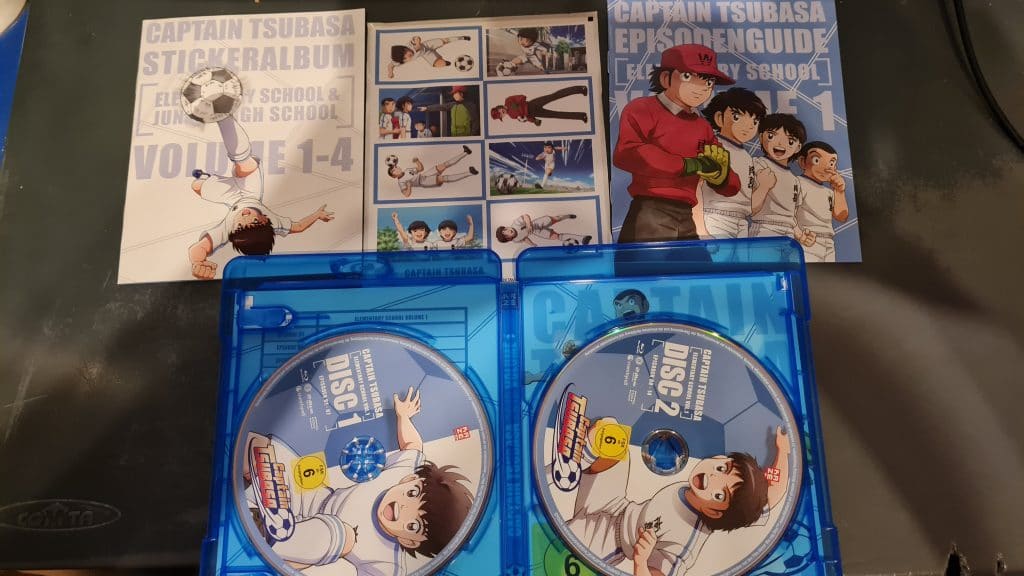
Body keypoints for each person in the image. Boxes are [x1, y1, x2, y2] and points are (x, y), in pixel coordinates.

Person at [245, 388, 475, 575]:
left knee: (343, 536)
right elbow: (413, 447)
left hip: (305, 545)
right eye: (412, 493)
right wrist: (403, 416)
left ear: (410, 542)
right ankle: (254, 502)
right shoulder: (402, 471)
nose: (404, 509)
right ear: (410, 479)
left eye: (414, 525)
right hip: (311, 497)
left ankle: (270, 536)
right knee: (261, 446)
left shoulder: (388, 565)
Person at [569, 421, 790, 576]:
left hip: (611, 541)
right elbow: (773, 494)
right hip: (618, 505)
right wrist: (784, 451)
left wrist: (641, 561)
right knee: (611, 431)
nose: (713, 477)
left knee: (571, 535)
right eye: (722, 468)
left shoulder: (685, 543)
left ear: (714, 512)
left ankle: (567, 469)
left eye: (719, 494)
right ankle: (574, 456)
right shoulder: (737, 500)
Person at [613, 44, 740, 243]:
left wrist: (721, 176)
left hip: (686, 215)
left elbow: (732, 185)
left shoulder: (702, 126)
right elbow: (627, 153)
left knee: (695, 264)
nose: (701, 87)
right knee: (646, 263)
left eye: (709, 81)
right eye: (688, 77)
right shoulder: (641, 109)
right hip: (651, 212)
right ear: (666, 78)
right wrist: (687, 165)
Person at [186, 116, 333, 280]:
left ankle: (206, 178)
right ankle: (225, 118)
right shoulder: (275, 222)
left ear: (233, 232)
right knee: (245, 165)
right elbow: (298, 227)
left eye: (240, 225)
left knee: (196, 186)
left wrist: (198, 262)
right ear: (264, 219)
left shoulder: (227, 231)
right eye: (254, 221)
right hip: (250, 191)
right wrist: (317, 215)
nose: (245, 215)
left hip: (230, 196)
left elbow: (200, 248)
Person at [696, 87, 769, 238]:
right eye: (737, 117)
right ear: (719, 118)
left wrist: (763, 187)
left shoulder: (747, 158)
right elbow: (695, 187)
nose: (748, 126)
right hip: (714, 217)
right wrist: (700, 228)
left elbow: (748, 204)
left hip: (741, 221)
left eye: (755, 121)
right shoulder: (712, 147)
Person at [750, 114, 809, 244]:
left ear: (798, 147)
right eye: (771, 136)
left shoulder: (795, 180)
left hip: (788, 235)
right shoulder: (758, 164)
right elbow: (751, 208)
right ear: (761, 137)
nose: (780, 144)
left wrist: (800, 235)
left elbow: (790, 215)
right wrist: (763, 187)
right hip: (764, 229)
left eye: (790, 141)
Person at [794, 141, 849, 262]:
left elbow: (841, 216)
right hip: (808, 239)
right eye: (817, 160)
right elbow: (789, 212)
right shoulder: (798, 183)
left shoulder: (829, 191)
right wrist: (799, 234)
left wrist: (839, 191)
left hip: (828, 242)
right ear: (802, 162)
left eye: (831, 163)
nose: (826, 168)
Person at [387, 145, 478, 198]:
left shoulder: (407, 170)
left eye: (395, 167)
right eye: (394, 170)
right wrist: (409, 186)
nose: (396, 168)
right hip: (424, 182)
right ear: (394, 176)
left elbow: (420, 169)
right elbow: (406, 195)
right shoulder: (401, 182)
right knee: (444, 178)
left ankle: (466, 152)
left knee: (444, 165)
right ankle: (470, 173)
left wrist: (417, 161)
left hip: (424, 175)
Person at [490, 85, 589, 127]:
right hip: (534, 113)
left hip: (532, 104)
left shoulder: (508, 100)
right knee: (556, 115)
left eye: (499, 112)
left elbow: (522, 97)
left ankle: (581, 89)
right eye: (501, 116)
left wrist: (517, 108)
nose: (502, 114)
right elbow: (526, 117)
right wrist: (533, 121)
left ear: (499, 107)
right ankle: (582, 116)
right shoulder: (512, 116)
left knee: (554, 96)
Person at [387, 35, 472, 79]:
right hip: (426, 53)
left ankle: (461, 38)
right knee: (440, 64)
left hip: (426, 45)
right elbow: (390, 65)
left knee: (444, 41)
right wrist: (390, 73)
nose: (408, 55)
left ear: (405, 47)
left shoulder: (411, 45)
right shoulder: (399, 61)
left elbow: (416, 37)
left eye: (406, 51)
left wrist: (418, 43)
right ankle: (446, 62)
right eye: (405, 58)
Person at [495, 213, 591, 246]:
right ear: (509, 239)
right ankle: (582, 238)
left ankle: (567, 216)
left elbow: (525, 216)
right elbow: (524, 239)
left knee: (556, 219)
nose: (508, 231)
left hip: (537, 223)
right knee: (555, 237)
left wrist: (528, 225)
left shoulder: (516, 223)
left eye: (506, 229)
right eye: (506, 234)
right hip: (537, 232)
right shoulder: (516, 240)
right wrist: (532, 244)